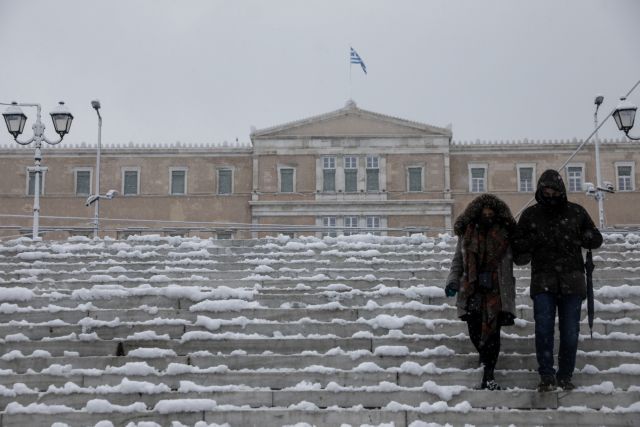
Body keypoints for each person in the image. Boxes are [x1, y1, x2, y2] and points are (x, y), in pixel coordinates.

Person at [514, 169, 602, 392]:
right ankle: (546, 374)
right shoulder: (530, 215)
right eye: (546, 189)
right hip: (543, 281)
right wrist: (533, 241)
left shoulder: (576, 212)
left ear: (560, 189)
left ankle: (565, 375)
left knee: (570, 332)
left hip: (572, 281)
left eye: (553, 189)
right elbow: (518, 249)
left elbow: (595, 238)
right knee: (543, 329)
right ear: (540, 190)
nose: (550, 193)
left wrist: (586, 236)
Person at [445, 194, 518, 390]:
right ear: (476, 214)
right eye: (484, 213)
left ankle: (488, 373)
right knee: (475, 330)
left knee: (493, 333)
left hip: (497, 290)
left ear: (497, 215)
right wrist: (453, 281)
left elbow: (521, 257)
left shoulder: (505, 234)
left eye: (491, 213)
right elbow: (458, 261)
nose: (487, 216)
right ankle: (486, 361)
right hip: (472, 288)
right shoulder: (467, 233)